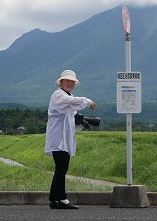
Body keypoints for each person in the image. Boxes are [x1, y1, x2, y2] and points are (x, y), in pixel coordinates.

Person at [45, 70, 97, 209]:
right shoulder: (58, 95)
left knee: (60, 168)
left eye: (72, 81)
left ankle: (54, 199)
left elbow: (71, 115)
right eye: (67, 80)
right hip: (58, 138)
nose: (70, 83)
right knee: (62, 167)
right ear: (61, 82)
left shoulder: (68, 96)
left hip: (63, 137)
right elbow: (69, 103)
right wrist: (87, 101)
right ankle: (62, 199)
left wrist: (82, 121)